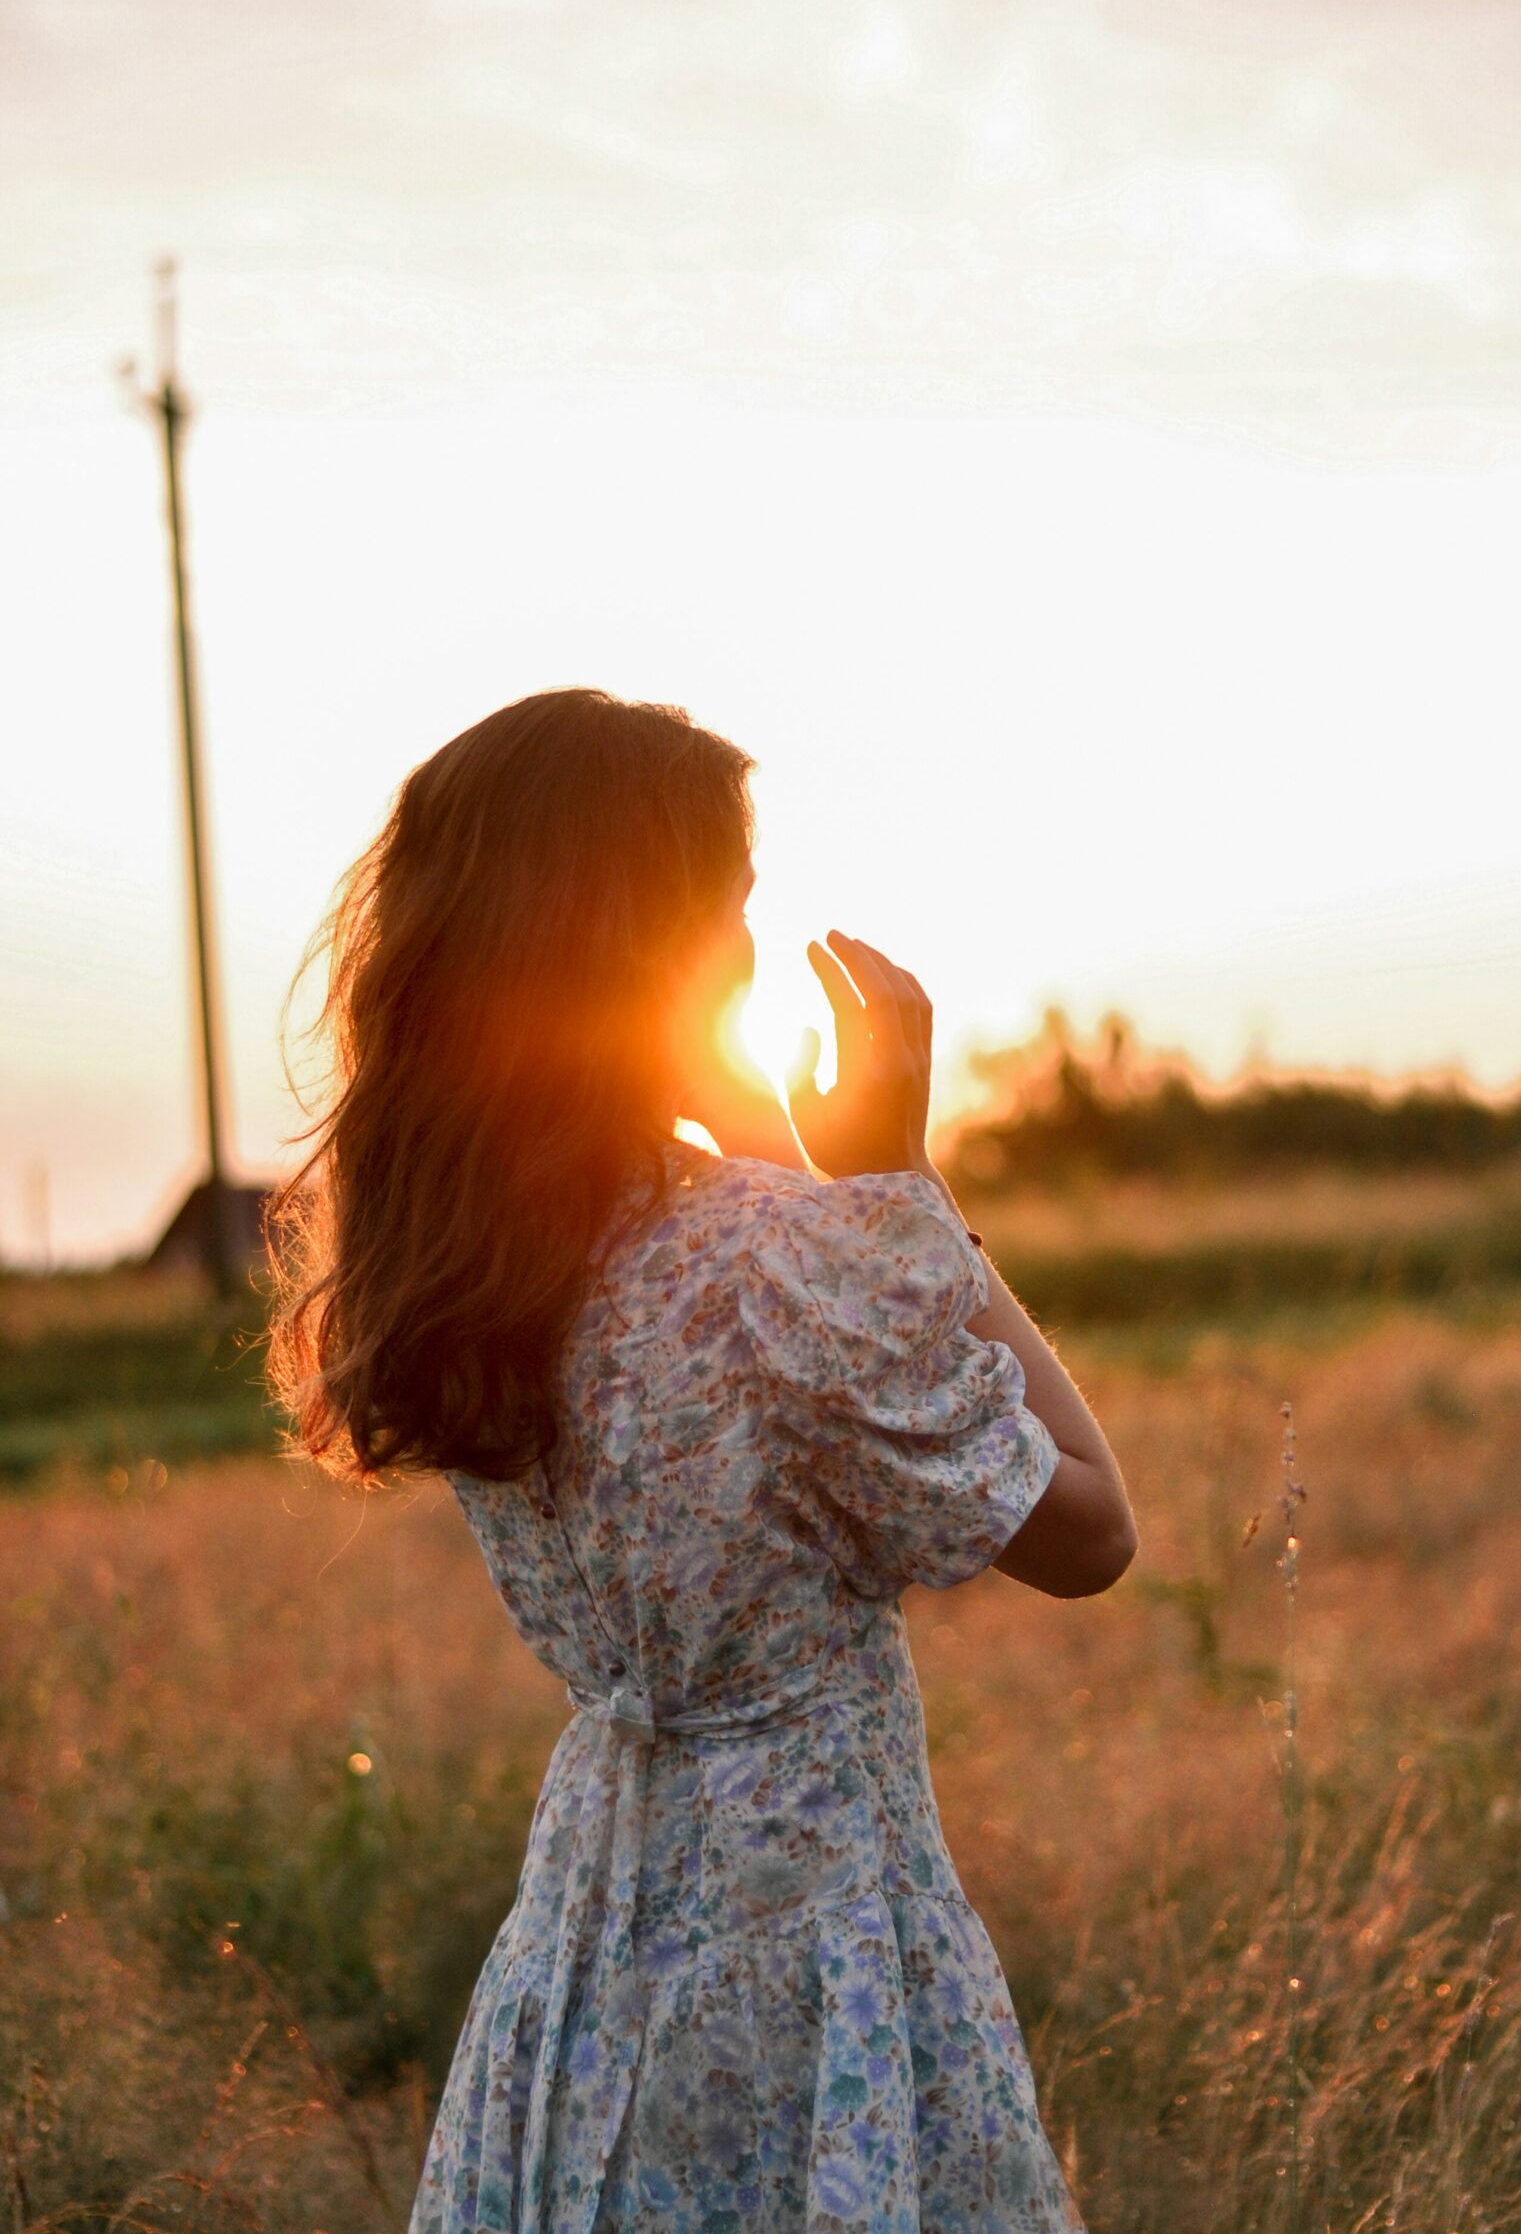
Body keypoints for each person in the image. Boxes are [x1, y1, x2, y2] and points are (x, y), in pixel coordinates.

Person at [266, 686, 1138, 2234]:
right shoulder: (770, 1263)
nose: (747, 949)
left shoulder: (469, 1281)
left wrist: (790, 1181)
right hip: (821, 1972)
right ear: (649, 944)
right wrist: (891, 1185)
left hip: (581, 1961)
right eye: (729, 908)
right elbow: (1088, 1525)